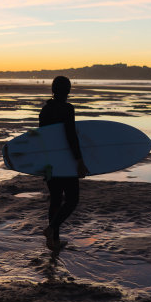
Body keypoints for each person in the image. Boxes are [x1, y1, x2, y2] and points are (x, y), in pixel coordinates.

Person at [39, 76, 88, 250]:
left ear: (52, 89)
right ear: (68, 91)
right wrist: (79, 160)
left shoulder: (44, 110)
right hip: (65, 161)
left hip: (50, 162)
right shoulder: (67, 109)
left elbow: (42, 139)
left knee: (56, 200)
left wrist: (44, 164)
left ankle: (54, 241)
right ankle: (51, 230)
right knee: (73, 199)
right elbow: (70, 137)